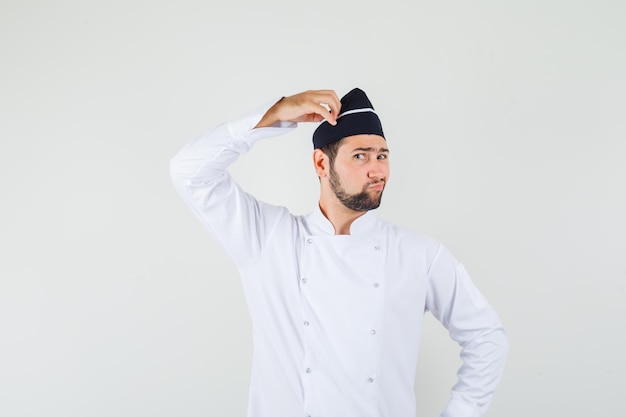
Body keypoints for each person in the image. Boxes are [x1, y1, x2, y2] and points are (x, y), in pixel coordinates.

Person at [170, 88, 508, 417]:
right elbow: (189, 171)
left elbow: (486, 335)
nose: (377, 170)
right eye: (360, 155)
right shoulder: (268, 238)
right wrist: (275, 113)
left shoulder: (418, 254)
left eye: (382, 155)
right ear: (321, 162)